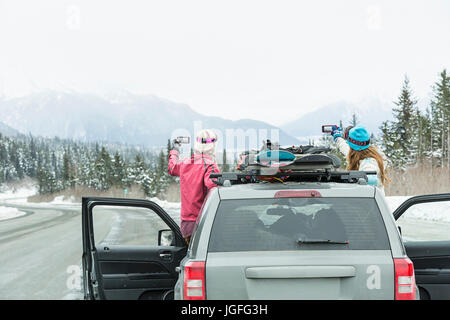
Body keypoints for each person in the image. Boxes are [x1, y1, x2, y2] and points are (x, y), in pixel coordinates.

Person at [168, 129, 221, 244]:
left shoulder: (185, 163)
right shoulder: (210, 166)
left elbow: (171, 168)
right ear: (212, 147)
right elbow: (214, 189)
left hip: (186, 225)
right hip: (203, 222)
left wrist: (175, 150)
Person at [331, 125, 390, 194]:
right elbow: (345, 148)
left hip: (370, 201)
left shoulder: (369, 162)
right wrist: (337, 138)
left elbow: (371, 179)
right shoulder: (361, 155)